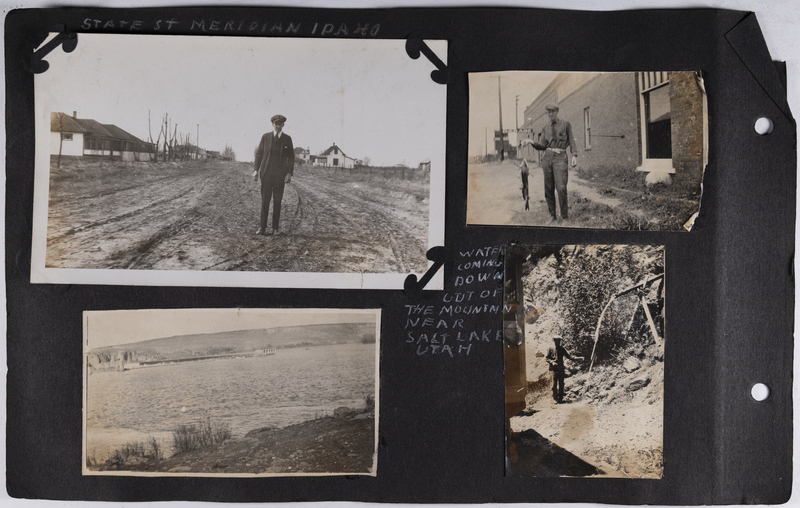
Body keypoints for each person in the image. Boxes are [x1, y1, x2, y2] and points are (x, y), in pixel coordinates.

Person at [253, 114, 294, 236]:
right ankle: (262, 228)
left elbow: (291, 158)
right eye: (276, 124)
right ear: (272, 124)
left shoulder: (287, 139)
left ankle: (275, 229)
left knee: (277, 202)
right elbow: (259, 155)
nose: (278, 126)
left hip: (279, 177)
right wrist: (256, 170)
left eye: (280, 124)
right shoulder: (265, 137)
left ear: (283, 125)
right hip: (266, 175)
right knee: (265, 201)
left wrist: (289, 173)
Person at [537, 103, 578, 222]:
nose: (551, 114)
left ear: (557, 111)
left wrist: (574, 154)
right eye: (548, 112)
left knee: (561, 187)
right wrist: (531, 143)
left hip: (560, 157)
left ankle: (564, 216)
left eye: (553, 111)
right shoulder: (545, 128)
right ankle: (552, 215)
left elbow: (571, 139)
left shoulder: (565, 124)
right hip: (547, 158)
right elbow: (542, 145)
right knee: (548, 188)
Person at [545, 335, 583, 403]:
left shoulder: (562, 349)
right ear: (554, 341)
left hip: (560, 369)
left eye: (559, 341)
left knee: (561, 384)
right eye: (556, 340)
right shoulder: (550, 348)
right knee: (553, 385)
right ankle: (555, 398)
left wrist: (578, 358)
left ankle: (561, 398)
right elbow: (547, 358)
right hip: (553, 369)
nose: (557, 342)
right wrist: (552, 362)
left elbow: (569, 356)